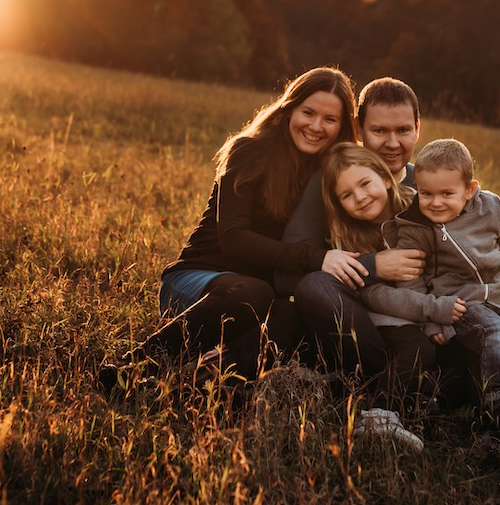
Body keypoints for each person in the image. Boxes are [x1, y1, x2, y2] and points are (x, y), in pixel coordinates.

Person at [102, 67, 360, 393]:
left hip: (257, 302)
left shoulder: (330, 173)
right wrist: (318, 258)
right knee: (255, 293)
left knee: (290, 315)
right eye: (307, 112)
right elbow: (233, 240)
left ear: (342, 127)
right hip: (198, 283)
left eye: (330, 119)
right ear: (288, 109)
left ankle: (207, 389)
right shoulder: (249, 150)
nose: (315, 126)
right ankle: (132, 369)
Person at [361, 138, 500, 457]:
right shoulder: (415, 225)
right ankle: (497, 405)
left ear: (470, 190)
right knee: (497, 335)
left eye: (447, 194)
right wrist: (432, 323)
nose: (435, 203)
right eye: (426, 193)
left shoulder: (491, 208)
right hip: (461, 304)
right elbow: (412, 282)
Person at [282, 78, 441, 450]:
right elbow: (287, 274)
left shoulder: (431, 184)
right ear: (358, 129)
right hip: (364, 328)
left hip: (429, 321)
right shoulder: (335, 178)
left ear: (418, 128)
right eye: (379, 130)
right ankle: (396, 392)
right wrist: (374, 265)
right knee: (314, 287)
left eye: (403, 130)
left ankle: (355, 389)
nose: (392, 142)